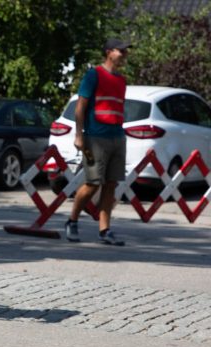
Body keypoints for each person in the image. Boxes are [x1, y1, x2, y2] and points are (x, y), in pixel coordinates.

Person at [65, 38, 132, 246]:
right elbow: (80, 107)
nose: (124, 54)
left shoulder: (121, 80)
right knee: (93, 183)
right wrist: (79, 135)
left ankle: (105, 230)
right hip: (95, 138)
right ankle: (72, 221)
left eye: (125, 51)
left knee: (111, 185)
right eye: (121, 50)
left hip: (117, 138)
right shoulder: (94, 75)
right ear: (109, 52)